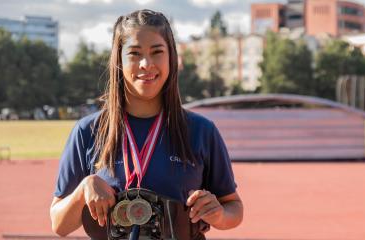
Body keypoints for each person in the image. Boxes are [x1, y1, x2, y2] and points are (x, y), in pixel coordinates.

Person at [50, 9, 243, 239]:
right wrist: (84, 189)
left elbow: (234, 208)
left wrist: (219, 214)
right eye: (134, 53)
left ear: (171, 58)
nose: (146, 63)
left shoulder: (201, 131)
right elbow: (59, 224)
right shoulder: (88, 131)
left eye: (157, 52)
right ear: (118, 60)